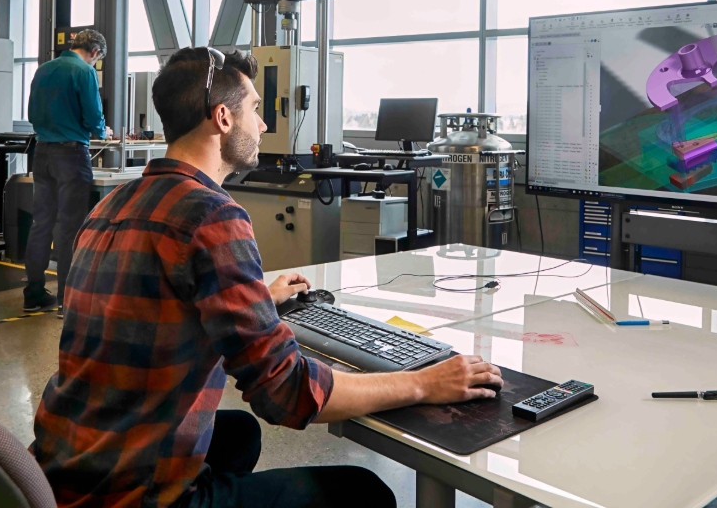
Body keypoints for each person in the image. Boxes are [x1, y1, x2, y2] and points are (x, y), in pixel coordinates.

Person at [31, 46, 504, 508]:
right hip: (133, 495)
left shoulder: (112, 205)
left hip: (64, 468)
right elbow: (288, 393)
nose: (262, 125)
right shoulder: (211, 215)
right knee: (364, 492)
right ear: (222, 118)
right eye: (256, 110)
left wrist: (255, 298)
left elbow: (155, 302)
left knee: (238, 435)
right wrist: (422, 382)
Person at [24, 29, 111, 316]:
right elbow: (93, 116)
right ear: (95, 52)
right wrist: (103, 131)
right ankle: (67, 300)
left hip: (43, 152)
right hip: (71, 155)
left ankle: (34, 294)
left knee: (41, 224)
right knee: (69, 228)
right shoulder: (84, 72)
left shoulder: (43, 69)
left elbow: (31, 114)